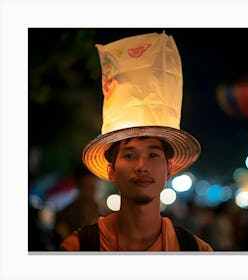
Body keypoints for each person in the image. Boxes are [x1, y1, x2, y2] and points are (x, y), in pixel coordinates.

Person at [59, 32, 213, 251]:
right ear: (111, 170)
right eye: (129, 155)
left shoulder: (196, 252)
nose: (142, 166)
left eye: (153, 154)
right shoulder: (78, 249)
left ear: (168, 169)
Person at [54, 167, 100, 246]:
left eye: (93, 188)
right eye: (87, 188)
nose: (91, 192)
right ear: (79, 187)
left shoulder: (101, 211)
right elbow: (65, 241)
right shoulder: (65, 214)